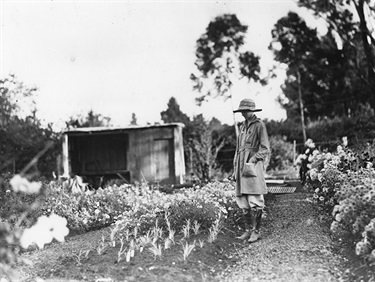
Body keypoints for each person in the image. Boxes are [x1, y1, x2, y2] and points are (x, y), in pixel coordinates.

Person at [230, 98, 270, 243]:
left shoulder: (259, 126)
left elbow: (265, 149)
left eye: (245, 111)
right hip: (240, 166)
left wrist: (252, 160)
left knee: (255, 199)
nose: (243, 114)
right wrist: (235, 168)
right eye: (242, 111)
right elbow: (238, 149)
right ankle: (247, 230)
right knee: (242, 200)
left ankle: (256, 231)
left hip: (252, 166)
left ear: (252, 111)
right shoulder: (242, 127)